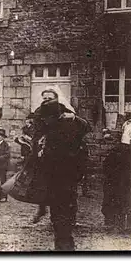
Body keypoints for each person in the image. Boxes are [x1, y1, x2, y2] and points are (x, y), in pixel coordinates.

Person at [33, 89, 90, 251]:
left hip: (67, 171)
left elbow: (86, 128)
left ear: (58, 100)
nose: (46, 101)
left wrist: (74, 117)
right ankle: (62, 244)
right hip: (51, 171)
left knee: (65, 209)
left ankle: (65, 245)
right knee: (57, 212)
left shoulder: (68, 116)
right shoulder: (42, 115)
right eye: (44, 99)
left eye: (50, 99)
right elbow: (36, 129)